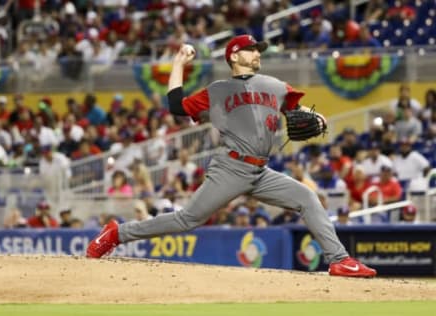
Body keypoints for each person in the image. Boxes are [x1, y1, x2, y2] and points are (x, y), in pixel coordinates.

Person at [86, 35, 376, 277]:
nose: (257, 53)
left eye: (257, 50)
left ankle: (339, 260)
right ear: (234, 56)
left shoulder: (275, 86)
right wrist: (177, 63)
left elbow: (297, 113)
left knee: (307, 198)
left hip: (262, 172)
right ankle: (116, 233)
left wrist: (317, 117)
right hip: (231, 168)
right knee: (187, 219)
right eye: (251, 49)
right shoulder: (218, 90)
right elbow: (176, 105)